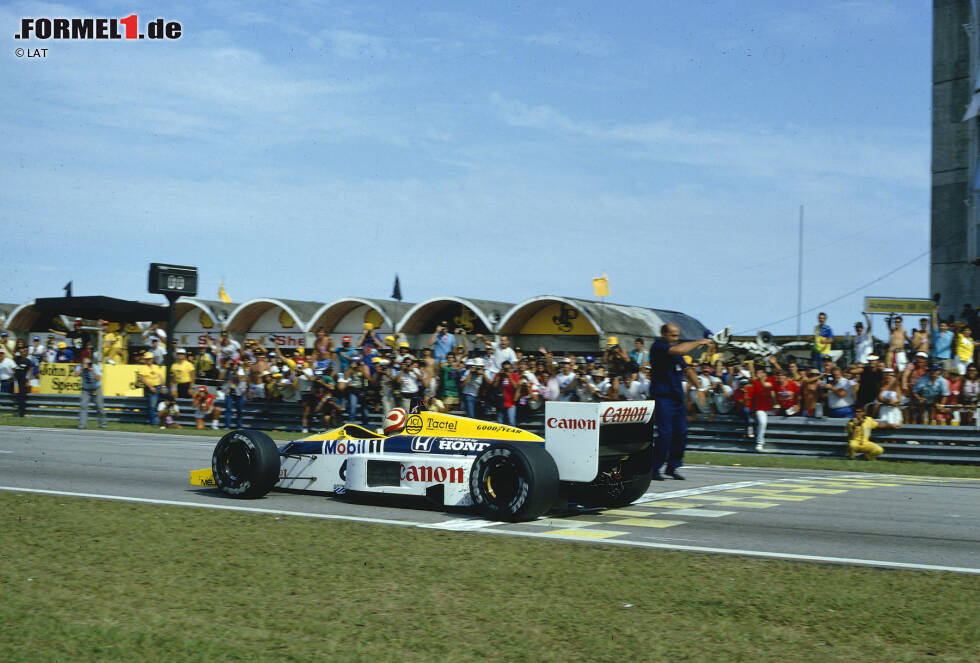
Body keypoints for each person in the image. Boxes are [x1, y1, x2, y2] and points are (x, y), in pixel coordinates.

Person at [649, 322, 714, 480]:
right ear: (663, 334)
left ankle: (672, 466)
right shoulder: (659, 347)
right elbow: (678, 349)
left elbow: (687, 369)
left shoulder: (676, 350)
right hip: (662, 396)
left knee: (681, 432)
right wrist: (699, 342)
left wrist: (699, 388)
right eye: (672, 335)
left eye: (677, 335)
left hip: (676, 396)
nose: (675, 338)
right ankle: (655, 468)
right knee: (665, 434)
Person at [73, 357, 106, 429]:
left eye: (88, 363)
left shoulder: (95, 367)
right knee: (83, 406)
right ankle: (82, 424)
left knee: (100, 407)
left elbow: (98, 378)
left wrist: (92, 371)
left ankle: (102, 424)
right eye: (85, 363)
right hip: (85, 390)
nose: (87, 365)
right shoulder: (80, 367)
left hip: (96, 389)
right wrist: (82, 369)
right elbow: (75, 374)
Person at [136, 351, 164, 426]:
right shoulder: (143, 368)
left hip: (159, 387)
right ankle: (154, 423)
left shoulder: (156, 367)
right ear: (145, 360)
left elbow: (160, 377)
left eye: (150, 359)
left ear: (153, 359)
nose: (149, 360)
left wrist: (163, 386)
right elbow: (142, 379)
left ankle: (165, 420)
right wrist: (150, 387)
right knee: (152, 405)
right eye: (147, 359)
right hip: (151, 388)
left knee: (170, 397)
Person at [12, 348, 32, 416]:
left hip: (23, 381)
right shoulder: (17, 359)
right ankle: (17, 411)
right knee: (17, 395)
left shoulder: (28, 361)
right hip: (16, 381)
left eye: (23, 352)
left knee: (21, 397)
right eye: (21, 352)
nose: (22, 353)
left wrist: (28, 381)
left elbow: (31, 371)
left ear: (26, 353)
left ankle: (21, 413)